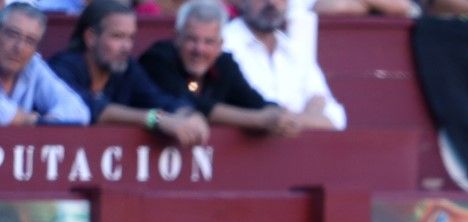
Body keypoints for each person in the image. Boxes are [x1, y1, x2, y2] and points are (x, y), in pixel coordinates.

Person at [49, 0, 211, 145]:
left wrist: (189, 114)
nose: (126, 46)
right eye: (118, 37)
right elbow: (91, 109)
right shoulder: (63, 67)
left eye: (130, 38)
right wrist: (156, 119)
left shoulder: (127, 69)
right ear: (91, 37)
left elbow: (159, 99)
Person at [139, 0, 301, 134]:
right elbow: (190, 104)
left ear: (220, 45)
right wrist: (259, 120)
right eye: (191, 40)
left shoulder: (224, 63)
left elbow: (253, 101)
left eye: (208, 42)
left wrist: (277, 114)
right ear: (178, 38)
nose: (199, 49)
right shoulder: (157, 59)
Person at [224, 0, 346, 129]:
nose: (271, 3)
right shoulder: (224, 46)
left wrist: (293, 120)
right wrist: (309, 116)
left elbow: (336, 118)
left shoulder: (294, 50)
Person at [0, 1, 90, 125]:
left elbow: (78, 111)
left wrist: (45, 122)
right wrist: (32, 120)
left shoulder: (33, 65)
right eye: (12, 35)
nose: (19, 47)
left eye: (30, 41)